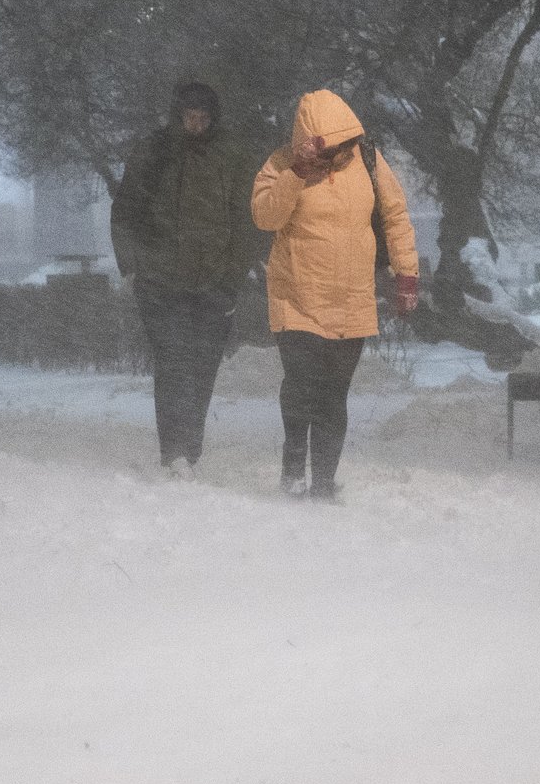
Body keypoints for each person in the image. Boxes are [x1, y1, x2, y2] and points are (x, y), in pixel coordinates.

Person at [251, 89, 420, 501]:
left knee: (333, 394)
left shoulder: (367, 158)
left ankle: (324, 484)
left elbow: (395, 214)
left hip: (351, 299)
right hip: (297, 298)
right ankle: (293, 472)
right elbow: (265, 217)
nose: (337, 157)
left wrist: (407, 275)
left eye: (342, 147)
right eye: (328, 151)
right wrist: (297, 173)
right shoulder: (281, 163)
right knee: (300, 387)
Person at [110, 82, 251, 479]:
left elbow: (246, 220)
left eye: (203, 118)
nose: (196, 125)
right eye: (190, 117)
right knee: (173, 362)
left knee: (203, 367)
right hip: (161, 282)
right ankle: (174, 451)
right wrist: (132, 265)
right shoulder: (153, 151)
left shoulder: (231, 155)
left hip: (214, 282)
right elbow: (126, 211)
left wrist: (233, 274)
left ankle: (190, 447)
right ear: (177, 115)